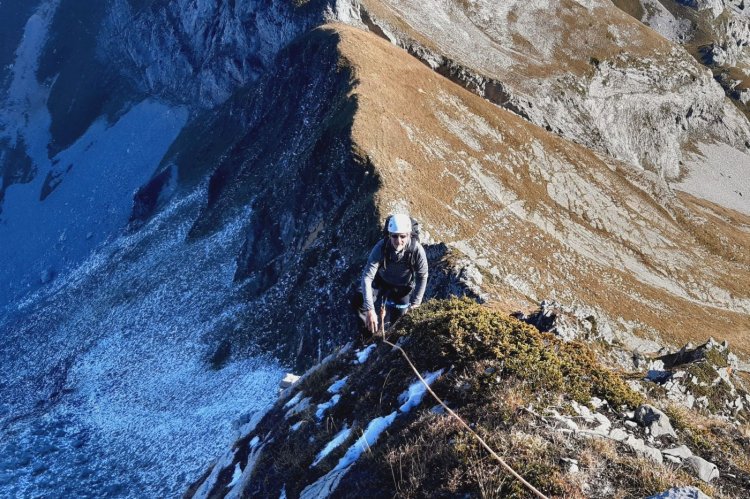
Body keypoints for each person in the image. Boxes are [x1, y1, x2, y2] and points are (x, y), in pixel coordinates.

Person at [360, 213, 428, 333]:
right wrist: (369, 309)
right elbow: (367, 277)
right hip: (381, 284)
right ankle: (365, 341)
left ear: (409, 235)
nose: (398, 241)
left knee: (398, 326)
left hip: (402, 290)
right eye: (394, 236)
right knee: (362, 305)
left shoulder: (416, 250)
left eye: (402, 236)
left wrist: (415, 304)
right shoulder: (381, 247)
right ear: (389, 235)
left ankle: (387, 344)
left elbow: (422, 276)